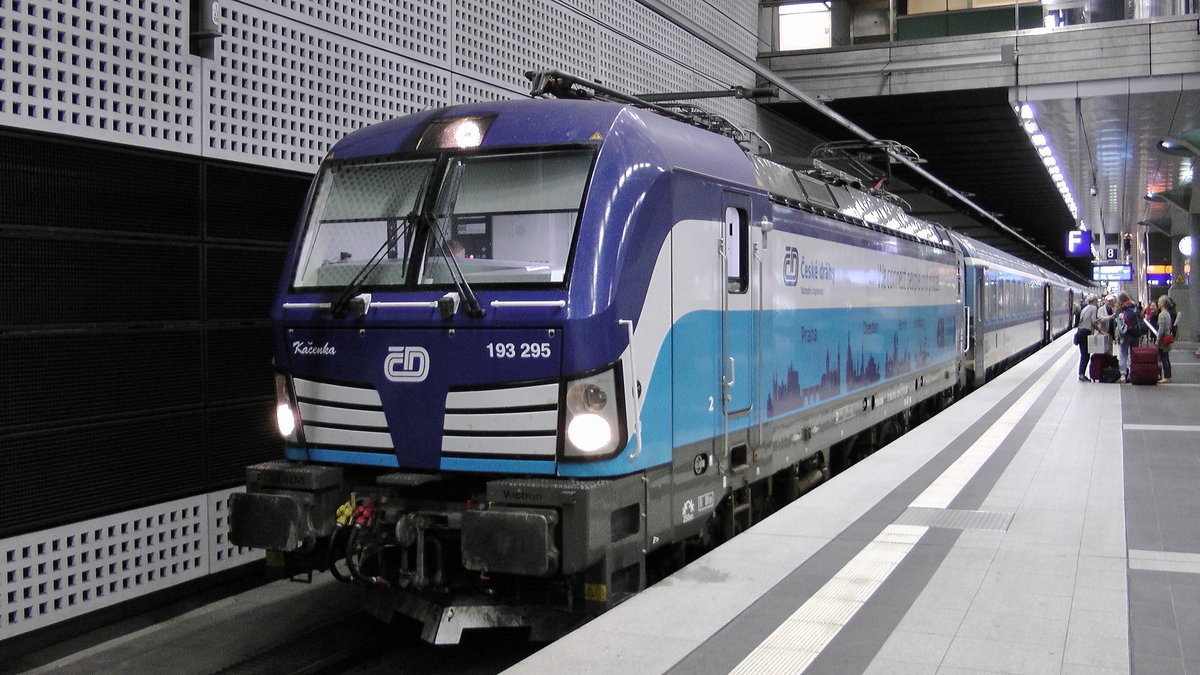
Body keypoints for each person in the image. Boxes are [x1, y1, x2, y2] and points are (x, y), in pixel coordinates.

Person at [1115, 291, 1140, 382]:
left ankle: (1123, 375)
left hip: (1124, 335)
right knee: (1133, 354)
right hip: (1135, 334)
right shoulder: (1135, 307)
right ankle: (1133, 373)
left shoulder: (1120, 309)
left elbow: (1118, 324)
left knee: (1123, 354)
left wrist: (1117, 336)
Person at [1075, 294, 1100, 381]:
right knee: (1086, 355)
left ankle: (1081, 374)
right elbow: (1093, 321)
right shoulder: (1093, 308)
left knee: (1083, 354)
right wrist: (1100, 319)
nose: (1097, 303)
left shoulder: (1085, 308)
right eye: (1096, 301)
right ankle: (1081, 375)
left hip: (1080, 332)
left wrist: (1099, 330)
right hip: (1086, 332)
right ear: (1094, 301)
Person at [1157, 295, 1177, 383]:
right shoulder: (1168, 313)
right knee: (1166, 358)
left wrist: (1157, 338)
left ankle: (1166, 377)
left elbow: (1161, 329)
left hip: (1163, 339)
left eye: (1159, 301)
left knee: (1163, 358)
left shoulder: (1162, 315)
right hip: (1168, 337)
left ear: (1162, 304)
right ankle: (1168, 376)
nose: (1157, 303)